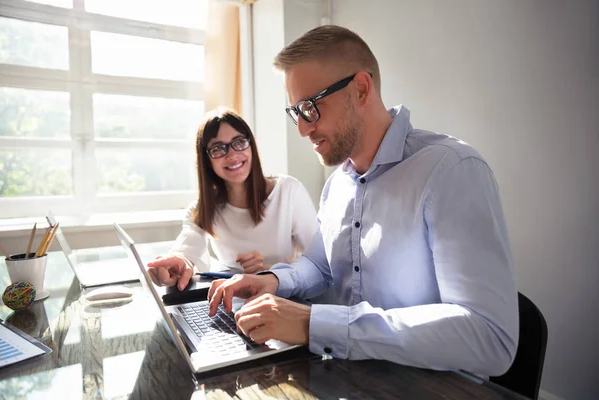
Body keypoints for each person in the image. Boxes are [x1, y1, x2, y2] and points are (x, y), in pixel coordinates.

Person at [207, 25, 519, 377]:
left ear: (360, 89)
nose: (303, 129)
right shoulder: (338, 184)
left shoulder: (451, 171)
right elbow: (322, 266)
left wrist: (314, 324)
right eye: (296, 111)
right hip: (351, 376)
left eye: (310, 107)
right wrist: (273, 282)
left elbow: (490, 338)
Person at [147, 108, 318, 291]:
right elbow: (188, 247)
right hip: (229, 303)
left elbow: (318, 266)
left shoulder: (289, 192)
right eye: (218, 148)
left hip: (284, 301)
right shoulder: (204, 207)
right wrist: (177, 263)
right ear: (207, 160)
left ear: (251, 145)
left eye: (239, 142)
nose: (231, 155)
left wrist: (269, 272)